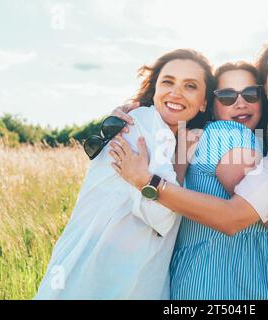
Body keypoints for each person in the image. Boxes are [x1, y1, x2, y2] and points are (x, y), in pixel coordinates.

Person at [110, 40, 268, 300]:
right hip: (237, 286)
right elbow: (259, 217)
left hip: (200, 281)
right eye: (227, 96)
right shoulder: (231, 136)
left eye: (250, 94)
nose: (240, 103)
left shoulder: (239, 140)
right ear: (211, 103)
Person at [34, 49, 215, 299]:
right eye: (168, 81)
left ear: (204, 102)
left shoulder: (163, 134)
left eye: (190, 86)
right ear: (155, 90)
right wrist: (149, 182)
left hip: (113, 274)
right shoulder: (143, 123)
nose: (176, 92)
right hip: (101, 278)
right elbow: (162, 216)